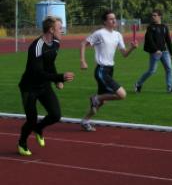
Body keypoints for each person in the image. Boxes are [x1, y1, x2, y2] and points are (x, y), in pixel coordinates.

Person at [17, 16, 75, 156]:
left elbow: (50, 64)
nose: (62, 31)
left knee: (56, 115)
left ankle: (38, 129)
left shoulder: (56, 43)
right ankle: (22, 143)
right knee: (31, 120)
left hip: (44, 86)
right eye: (60, 28)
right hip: (29, 87)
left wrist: (56, 81)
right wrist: (60, 77)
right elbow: (38, 73)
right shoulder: (36, 47)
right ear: (51, 29)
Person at [80, 10, 138, 131]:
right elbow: (83, 43)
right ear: (105, 21)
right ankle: (96, 98)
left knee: (101, 103)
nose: (114, 20)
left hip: (110, 70)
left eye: (114, 18)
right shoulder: (99, 33)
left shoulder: (118, 35)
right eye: (111, 19)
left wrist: (132, 48)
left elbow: (124, 54)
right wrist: (82, 61)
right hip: (101, 70)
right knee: (122, 94)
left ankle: (85, 120)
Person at [134, 9, 172, 94]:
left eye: (155, 15)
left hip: (165, 52)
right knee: (152, 71)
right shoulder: (150, 27)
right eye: (152, 16)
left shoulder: (164, 27)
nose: (153, 17)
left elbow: (168, 40)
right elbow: (149, 40)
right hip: (155, 53)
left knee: (169, 69)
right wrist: (155, 50)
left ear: (159, 16)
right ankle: (138, 84)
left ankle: (170, 89)